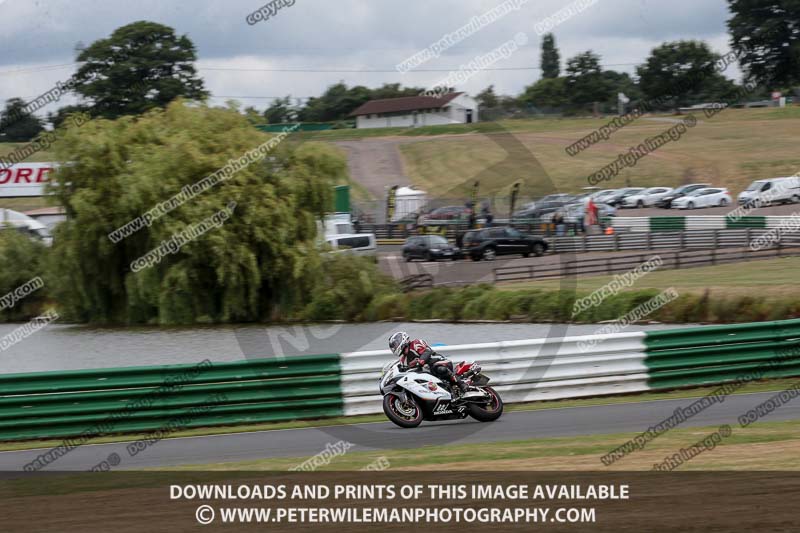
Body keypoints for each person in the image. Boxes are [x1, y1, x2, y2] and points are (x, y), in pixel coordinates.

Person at [388, 332, 481, 399]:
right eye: (393, 346)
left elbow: (427, 351)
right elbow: (406, 369)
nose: (395, 347)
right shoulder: (403, 359)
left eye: (395, 344)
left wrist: (421, 360)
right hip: (426, 373)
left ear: (402, 340)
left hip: (438, 362)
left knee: (439, 369)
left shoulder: (416, 343)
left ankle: (462, 385)